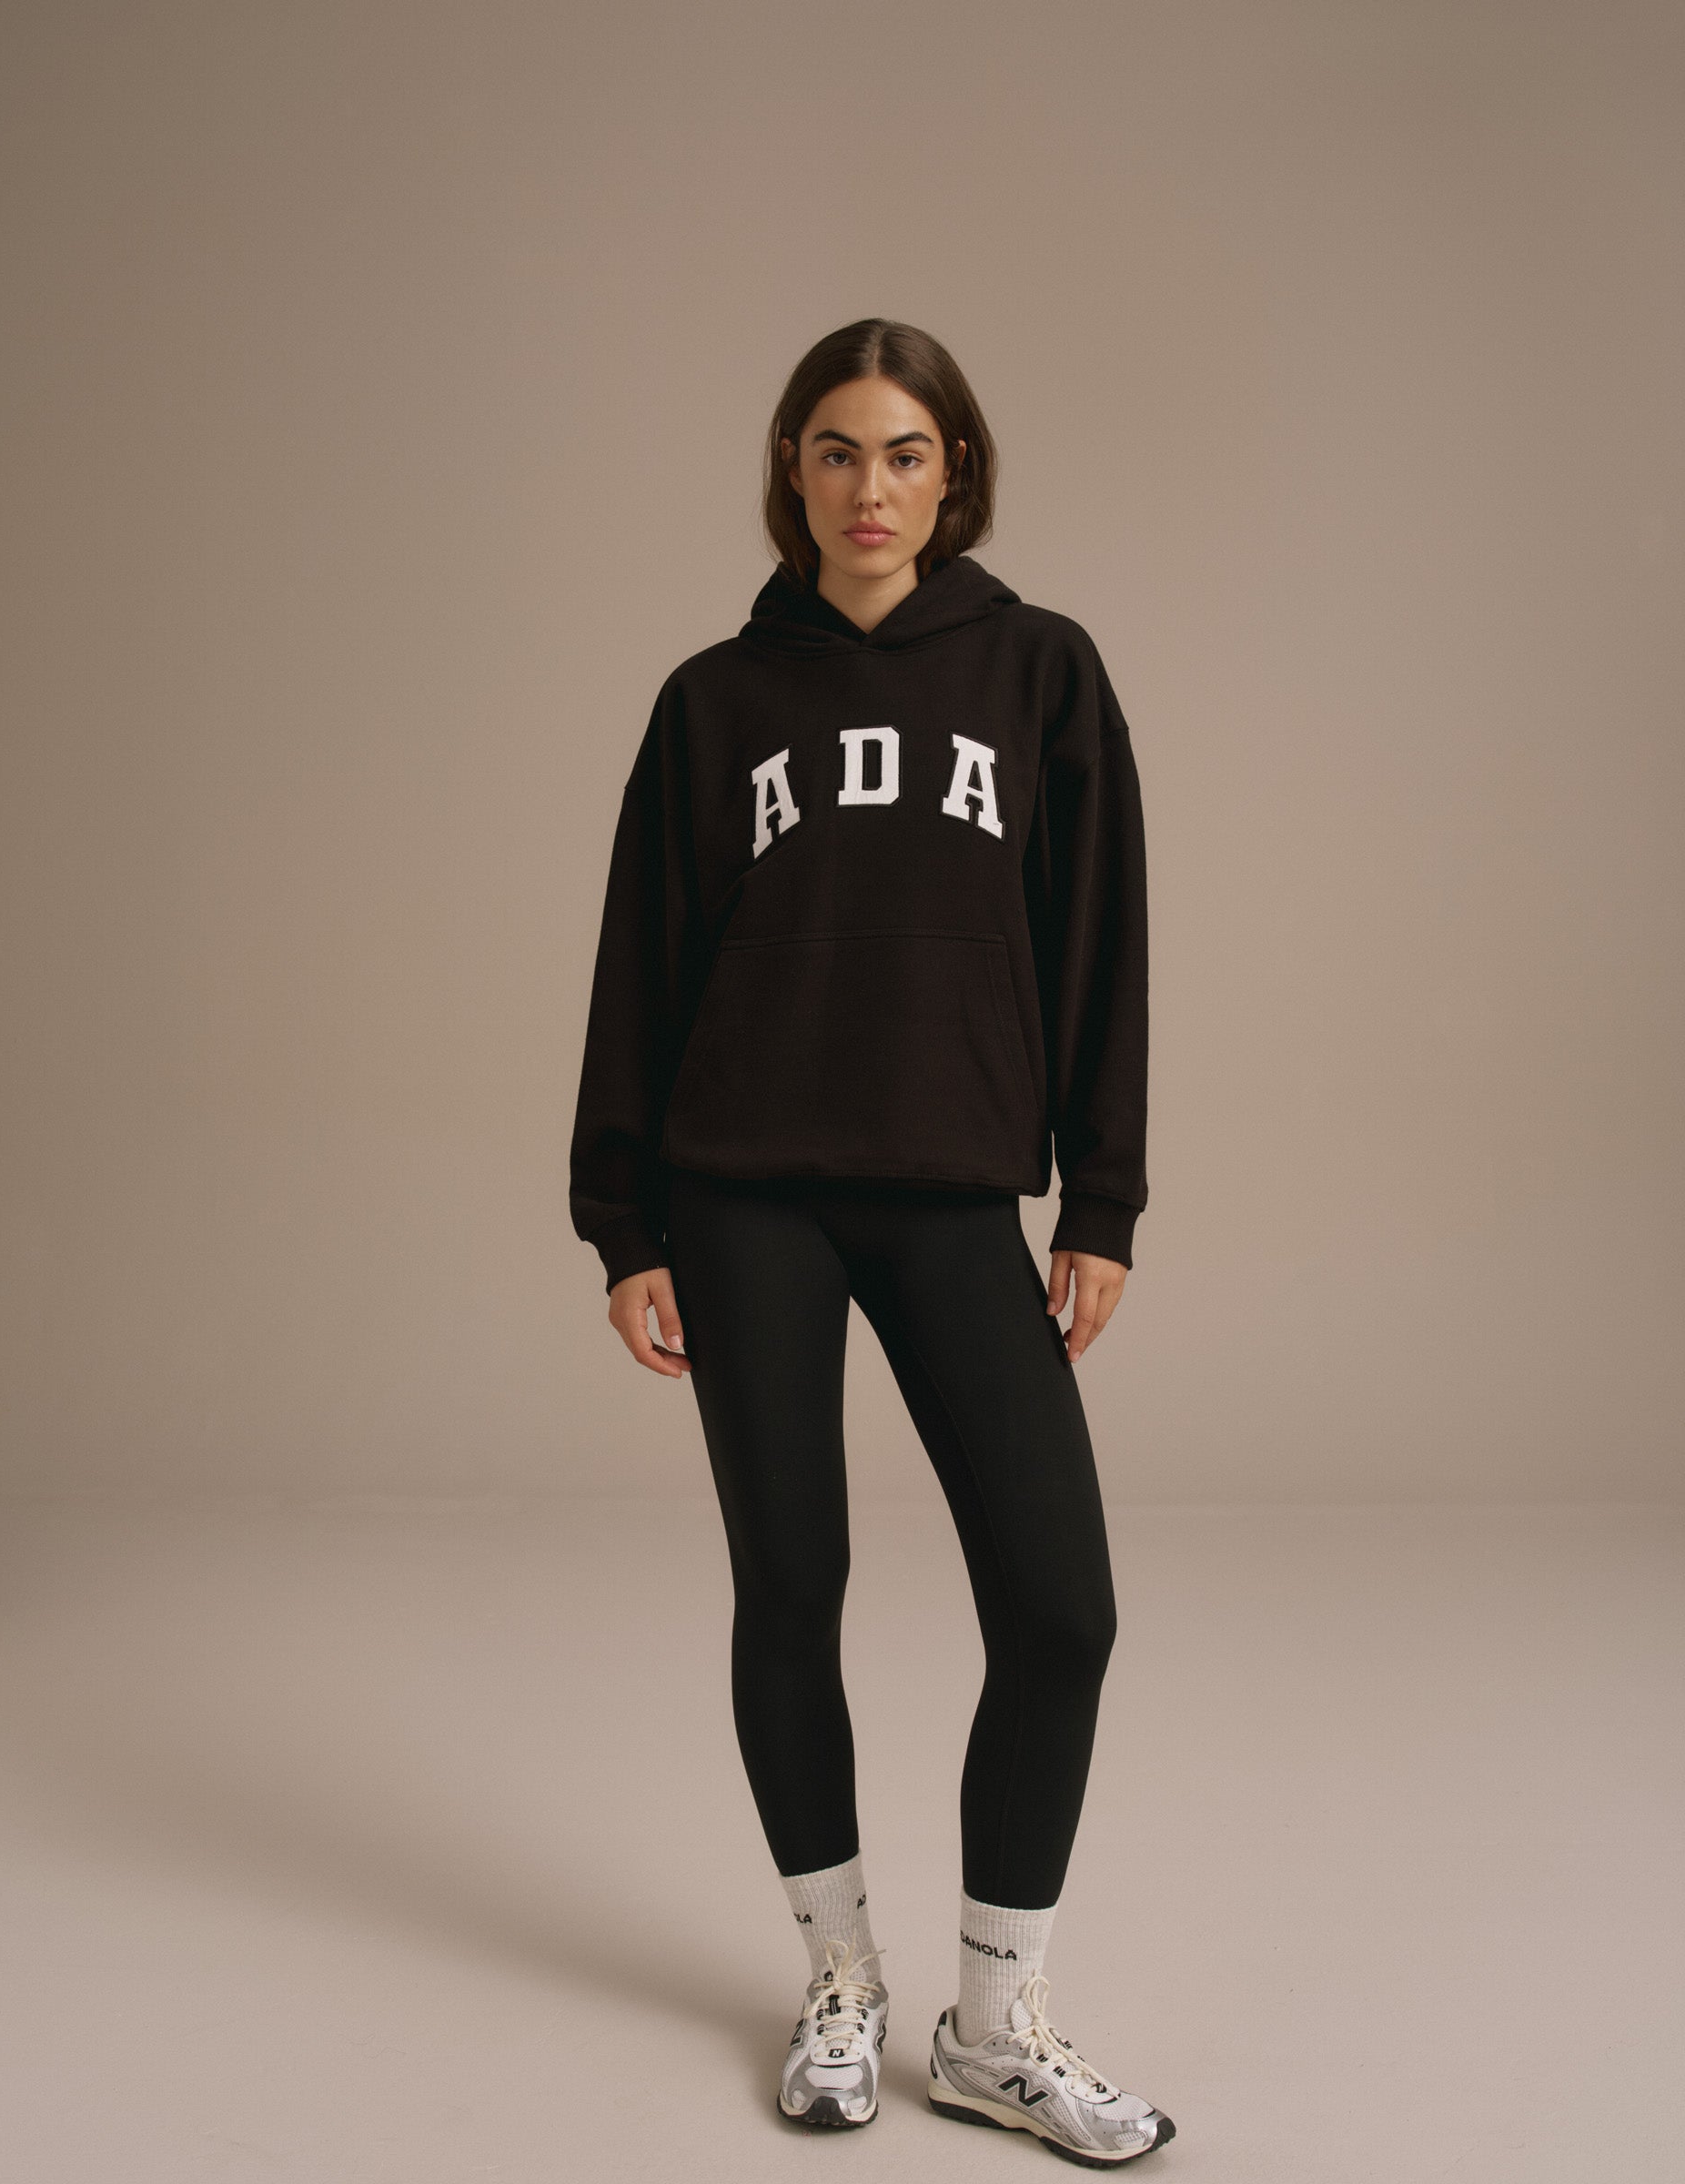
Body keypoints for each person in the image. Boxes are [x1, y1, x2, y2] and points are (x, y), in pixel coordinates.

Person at [568, 317, 1175, 2165]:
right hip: (742, 1195)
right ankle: (840, 1980)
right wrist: (623, 1220)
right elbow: (642, 962)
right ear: (794, 471)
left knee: (1060, 1607)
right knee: (793, 1586)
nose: (871, 488)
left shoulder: (1040, 671)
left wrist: (1104, 1195)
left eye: (906, 453)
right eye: (837, 451)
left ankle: (995, 2026)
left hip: (949, 1193)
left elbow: (1102, 938)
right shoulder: (712, 701)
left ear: (954, 472)